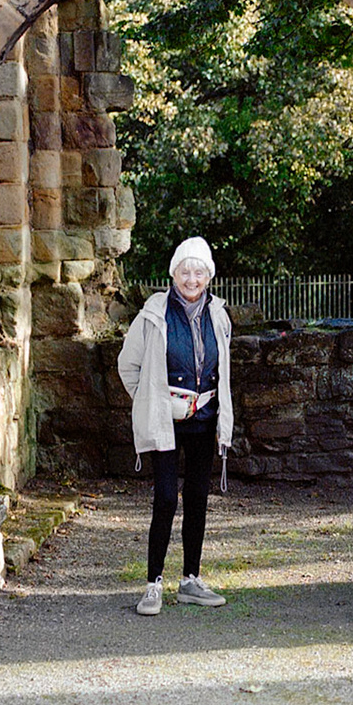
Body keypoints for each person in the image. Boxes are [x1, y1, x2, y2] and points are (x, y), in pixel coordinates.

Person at [117, 236, 235, 616]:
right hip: (165, 422)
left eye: (199, 271)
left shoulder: (219, 314)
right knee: (167, 498)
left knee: (198, 499)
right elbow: (127, 365)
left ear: (209, 276)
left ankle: (190, 580)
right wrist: (149, 401)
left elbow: (222, 370)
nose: (192, 278)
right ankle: (153, 584)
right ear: (173, 273)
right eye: (185, 270)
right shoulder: (153, 314)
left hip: (204, 419)